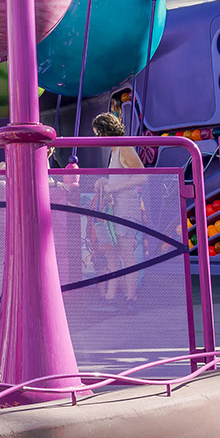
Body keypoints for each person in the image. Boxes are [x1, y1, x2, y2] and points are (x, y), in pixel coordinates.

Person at [89, 112, 147, 303]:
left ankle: (131, 298)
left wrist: (112, 187)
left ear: (106, 131)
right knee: (118, 251)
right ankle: (119, 296)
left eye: (98, 134)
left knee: (126, 252)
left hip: (126, 207)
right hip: (116, 206)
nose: (97, 139)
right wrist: (104, 181)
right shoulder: (115, 150)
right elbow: (121, 176)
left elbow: (142, 176)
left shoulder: (124, 147)